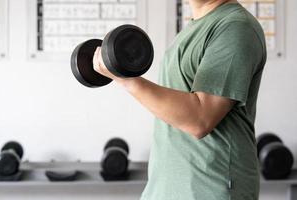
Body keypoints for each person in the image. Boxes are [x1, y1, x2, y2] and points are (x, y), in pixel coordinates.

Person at [93, 0, 267, 199]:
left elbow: (200, 118)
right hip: (166, 187)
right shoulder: (195, 26)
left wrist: (128, 81)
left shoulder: (235, 27)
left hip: (208, 189)